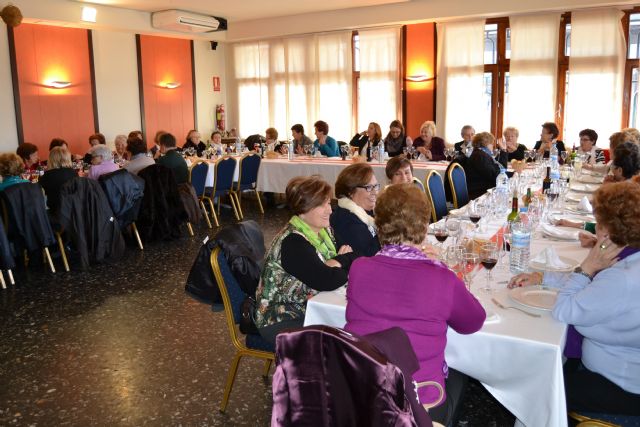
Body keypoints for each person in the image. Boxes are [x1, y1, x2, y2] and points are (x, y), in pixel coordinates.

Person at [345, 184, 485, 426]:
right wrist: (441, 267)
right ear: (423, 227)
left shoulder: (359, 268)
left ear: (379, 225)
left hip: (365, 392)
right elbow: (473, 322)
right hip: (418, 404)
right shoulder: (441, 278)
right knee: (462, 370)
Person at [509, 180, 640, 417]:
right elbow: (593, 287)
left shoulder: (622, 279)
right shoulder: (628, 259)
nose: (595, 229)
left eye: (598, 223)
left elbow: (565, 309)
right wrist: (542, 277)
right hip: (624, 370)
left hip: (618, 385)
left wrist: (587, 266)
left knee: (534, 386)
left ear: (608, 232)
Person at [254, 176, 356, 346]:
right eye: (321, 205)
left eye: (329, 203)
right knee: (340, 343)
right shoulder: (293, 243)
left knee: (356, 330)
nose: (330, 210)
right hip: (282, 318)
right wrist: (342, 263)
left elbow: (355, 256)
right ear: (302, 209)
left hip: (310, 308)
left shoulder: (325, 232)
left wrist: (337, 262)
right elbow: (328, 281)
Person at [330, 163, 381, 257]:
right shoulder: (347, 220)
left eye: (376, 186)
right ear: (350, 192)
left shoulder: (367, 211)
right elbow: (369, 256)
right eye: (369, 187)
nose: (375, 192)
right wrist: (388, 228)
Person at [463, 132, 503, 199]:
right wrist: (504, 151)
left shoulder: (480, 153)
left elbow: (497, 172)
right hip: (480, 193)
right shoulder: (480, 156)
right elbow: (496, 176)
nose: (492, 146)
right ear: (486, 144)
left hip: (483, 188)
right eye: (492, 144)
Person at [39, 147, 77, 215]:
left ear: (51, 159)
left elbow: (40, 192)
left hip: (55, 210)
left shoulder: (47, 175)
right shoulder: (73, 173)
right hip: (73, 209)